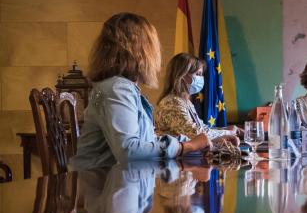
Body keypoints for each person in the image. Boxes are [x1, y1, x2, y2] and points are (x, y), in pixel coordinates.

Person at [71, 13, 210, 171]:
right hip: (105, 185)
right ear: (141, 51)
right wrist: (187, 146)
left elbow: (147, 141)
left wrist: (194, 142)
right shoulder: (117, 89)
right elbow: (129, 150)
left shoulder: (124, 88)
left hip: (121, 185)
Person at [154, 53, 239, 147]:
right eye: (198, 74)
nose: (201, 78)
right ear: (181, 76)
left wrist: (227, 130)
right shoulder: (172, 103)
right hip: (172, 158)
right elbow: (195, 133)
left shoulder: (185, 101)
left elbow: (202, 128)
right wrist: (230, 133)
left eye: (201, 74)